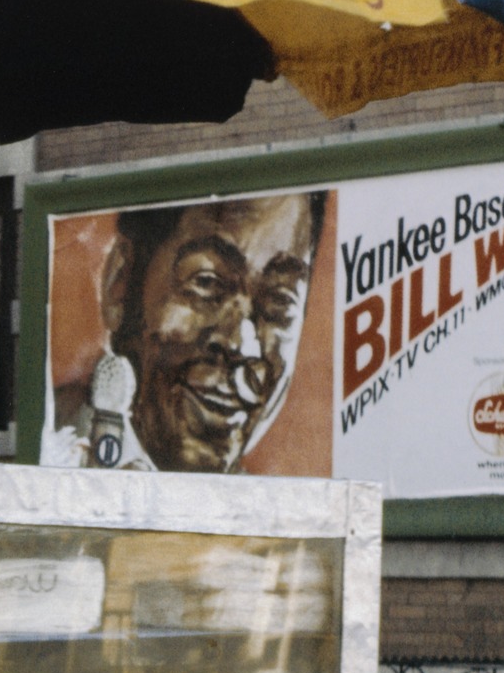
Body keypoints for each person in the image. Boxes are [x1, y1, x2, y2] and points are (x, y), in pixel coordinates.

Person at [45, 192, 324, 474]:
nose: (242, 344)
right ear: (120, 284)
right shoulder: (51, 451)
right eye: (206, 282)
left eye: (281, 302)